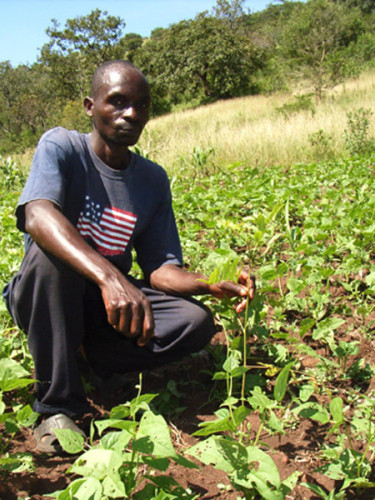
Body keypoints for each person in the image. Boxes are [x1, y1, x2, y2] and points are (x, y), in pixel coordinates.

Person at [2, 60, 255, 453]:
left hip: (107, 305)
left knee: (193, 321)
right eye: (117, 102)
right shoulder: (62, 147)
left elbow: (160, 270)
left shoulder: (151, 178)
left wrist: (208, 283)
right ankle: (56, 405)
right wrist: (110, 276)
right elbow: (37, 215)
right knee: (49, 257)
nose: (131, 114)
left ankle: (88, 357)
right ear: (90, 106)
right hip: (47, 294)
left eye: (142, 105)